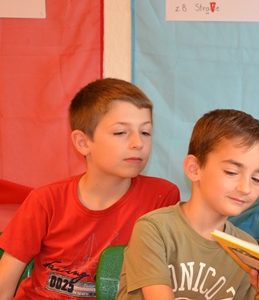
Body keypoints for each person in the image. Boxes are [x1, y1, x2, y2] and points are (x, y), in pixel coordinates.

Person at [0, 78, 180, 299]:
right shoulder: (45, 200)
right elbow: (5, 281)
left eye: (145, 132)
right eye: (121, 132)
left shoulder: (161, 197)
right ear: (83, 143)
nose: (138, 143)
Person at [117, 109, 259, 299]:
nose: (246, 188)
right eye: (232, 172)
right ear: (194, 169)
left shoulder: (247, 248)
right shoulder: (154, 229)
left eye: (256, 178)